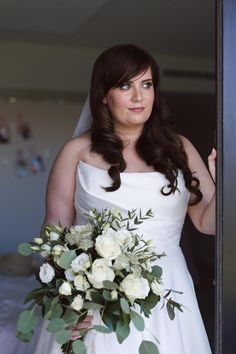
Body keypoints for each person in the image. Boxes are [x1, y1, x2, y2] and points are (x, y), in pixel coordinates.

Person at [34, 44, 216, 354]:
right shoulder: (76, 152)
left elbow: (207, 223)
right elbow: (55, 236)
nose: (139, 96)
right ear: (103, 94)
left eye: (146, 84)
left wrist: (227, 185)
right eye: (125, 85)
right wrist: (69, 302)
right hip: (97, 296)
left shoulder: (179, 148)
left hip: (168, 290)